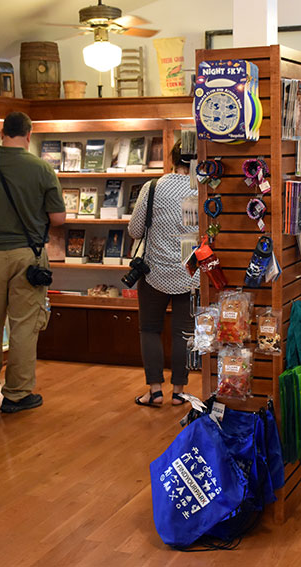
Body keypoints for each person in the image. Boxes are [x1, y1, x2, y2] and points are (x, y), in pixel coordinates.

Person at [0, 112, 65, 413]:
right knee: (24, 326)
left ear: (1, 132)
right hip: (28, 257)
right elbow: (58, 218)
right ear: (29, 134)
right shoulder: (42, 168)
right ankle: (17, 394)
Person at [129, 140, 199, 407]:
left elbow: (135, 230)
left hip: (153, 271)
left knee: (149, 329)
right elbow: (199, 231)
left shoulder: (153, 187)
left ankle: (155, 391)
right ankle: (179, 391)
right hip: (188, 271)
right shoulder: (198, 188)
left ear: (173, 157)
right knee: (184, 332)